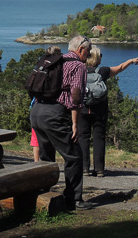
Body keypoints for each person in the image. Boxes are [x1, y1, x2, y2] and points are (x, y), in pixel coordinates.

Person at [30, 35, 92, 210]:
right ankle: (74, 199)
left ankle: (42, 193)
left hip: (37, 111)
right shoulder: (78, 66)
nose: (89, 54)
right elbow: (75, 96)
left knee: (46, 156)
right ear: (81, 49)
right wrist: (74, 124)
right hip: (55, 113)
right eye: (88, 50)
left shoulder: (56, 61)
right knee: (74, 155)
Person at [79, 46, 138, 177]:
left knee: (83, 138)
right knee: (99, 138)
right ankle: (99, 169)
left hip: (83, 109)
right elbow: (120, 68)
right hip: (100, 109)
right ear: (97, 57)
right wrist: (130, 61)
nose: (101, 57)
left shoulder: (80, 70)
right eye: (100, 55)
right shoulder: (103, 71)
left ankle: (84, 168)